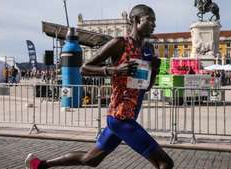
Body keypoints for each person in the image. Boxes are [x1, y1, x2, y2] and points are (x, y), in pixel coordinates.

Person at [25, 4, 174, 169]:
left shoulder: (147, 49)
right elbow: (84, 68)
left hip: (127, 116)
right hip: (120, 117)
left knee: (91, 160)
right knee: (165, 163)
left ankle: (39, 165)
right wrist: (114, 70)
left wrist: (154, 71)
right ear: (136, 20)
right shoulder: (119, 44)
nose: (154, 24)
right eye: (150, 19)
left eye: (155, 21)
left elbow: (145, 88)